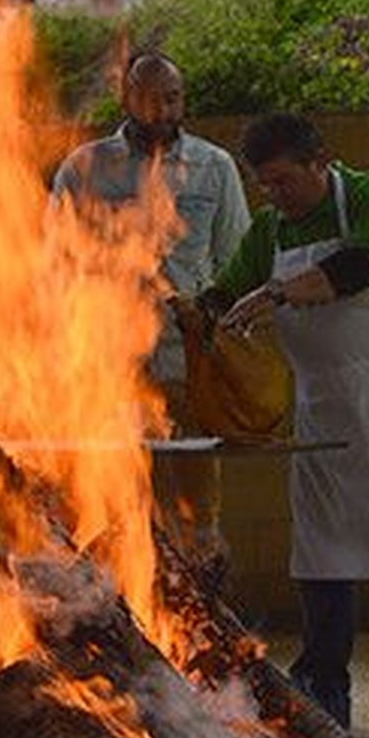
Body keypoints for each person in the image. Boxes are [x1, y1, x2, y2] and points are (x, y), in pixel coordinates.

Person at [213, 113, 369, 738]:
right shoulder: (268, 231)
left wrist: (282, 293)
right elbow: (225, 292)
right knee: (321, 555)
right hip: (323, 408)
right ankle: (323, 700)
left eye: (285, 181)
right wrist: (191, 310)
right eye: (264, 186)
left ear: (321, 163)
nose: (276, 198)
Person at [50, 52, 250, 552]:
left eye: (173, 98)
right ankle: (130, 608)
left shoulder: (213, 168)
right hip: (111, 364)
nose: (163, 111)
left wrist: (226, 344)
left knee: (197, 503)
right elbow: (56, 265)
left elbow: (236, 259)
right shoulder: (85, 168)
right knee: (117, 500)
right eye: (151, 99)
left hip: (188, 363)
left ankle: (204, 608)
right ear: (126, 99)